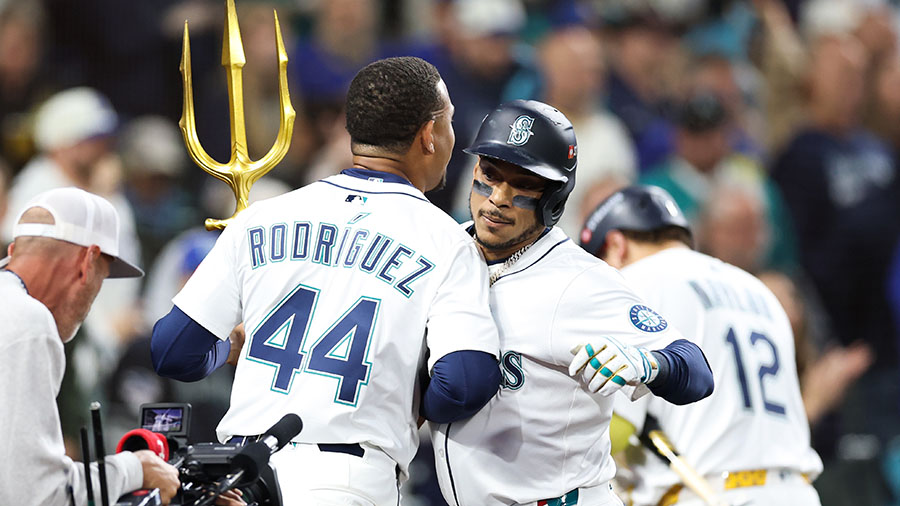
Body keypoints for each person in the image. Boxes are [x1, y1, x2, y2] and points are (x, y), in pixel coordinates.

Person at [151, 56, 501, 505]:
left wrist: (228, 348)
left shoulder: (264, 215)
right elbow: (464, 385)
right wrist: (401, 391)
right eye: (449, 121)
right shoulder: (447, 240)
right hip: (348, 477)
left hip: (240, 476)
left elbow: (173, 351)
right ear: (428, 135)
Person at [430, 100, 714, 506]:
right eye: (490, 175)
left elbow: (696, 371)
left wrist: (649, 363)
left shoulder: (579, 281)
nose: (498, 198)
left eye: (523, 185)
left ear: (554, 198)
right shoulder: (445, 250)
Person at [579, 185, 823, 505]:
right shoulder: (758, 289)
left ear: (616, 245)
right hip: (798, 492)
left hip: (706, 494)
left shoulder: (632, 284)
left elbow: (616, 431)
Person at [0, 187, 180, 505]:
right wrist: (135, 468)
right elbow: (37, 495)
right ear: (88, 262)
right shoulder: (29, 322)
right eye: (103, 277)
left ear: (14, 251)